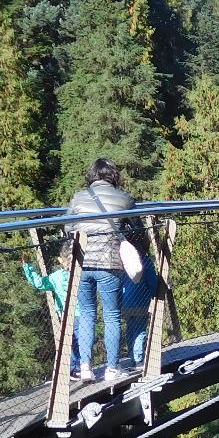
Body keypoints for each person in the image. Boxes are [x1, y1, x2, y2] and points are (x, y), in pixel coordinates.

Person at [65, 158, 144, 383]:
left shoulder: (79, 197)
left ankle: (86, 367)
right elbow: (138, 226)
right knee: (111, 315)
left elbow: (68, 226)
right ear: (113, 175)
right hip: (109, 263)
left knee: (87, 314)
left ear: (92, 175)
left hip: (81, 261)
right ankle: (112, 368)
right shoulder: (124, 198)